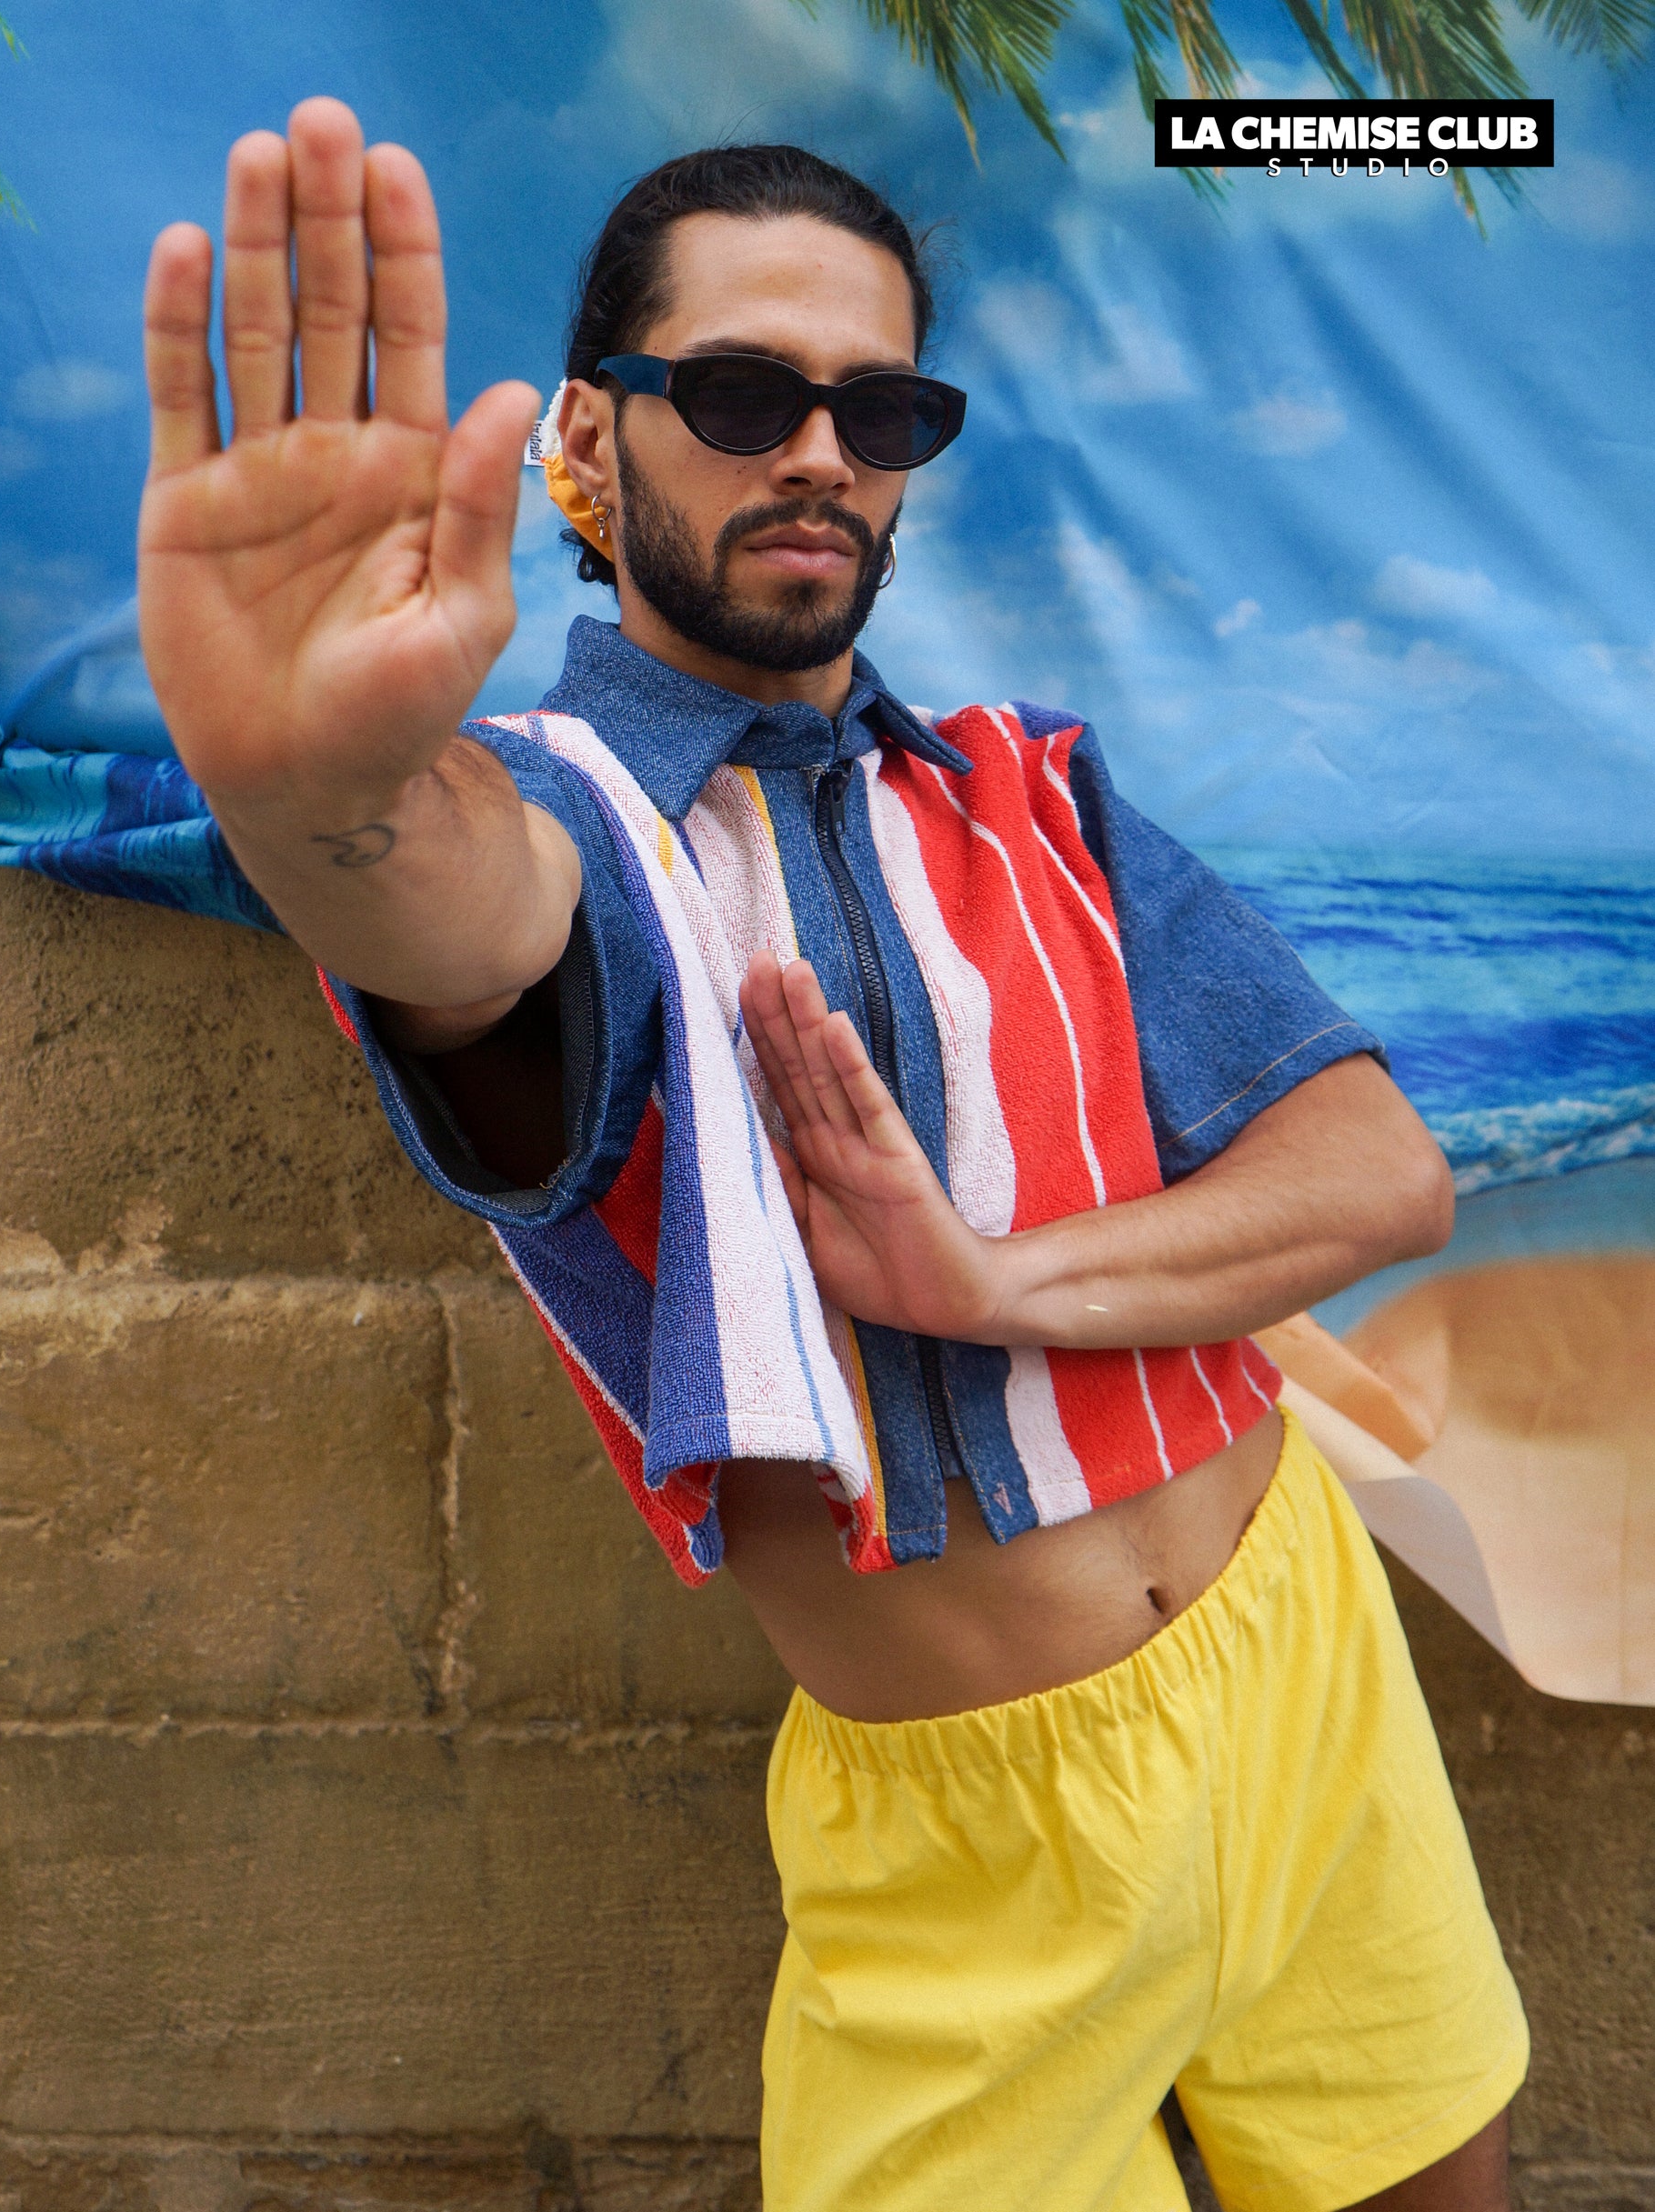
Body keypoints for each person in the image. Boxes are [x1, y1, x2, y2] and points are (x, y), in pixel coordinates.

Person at [137, 96, 1527, 2212]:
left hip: (1305, 1651)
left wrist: (989, 1283)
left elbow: (1376, 1175)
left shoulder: (1030, 791)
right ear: (585, 444)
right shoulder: (571, 814)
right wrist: (312, 791)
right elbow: (458, 915)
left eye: (876, 409)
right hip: (977, 1823)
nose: (815, 452)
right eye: (738, 393)